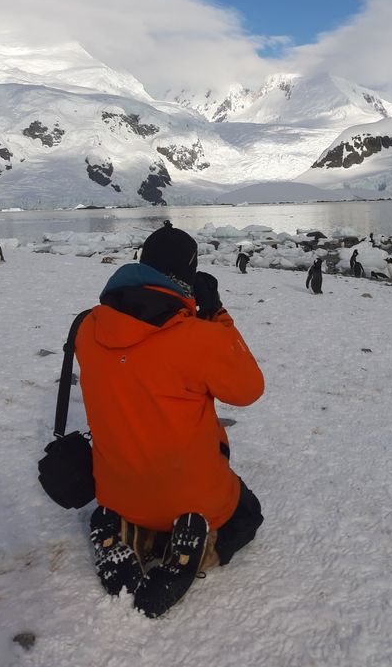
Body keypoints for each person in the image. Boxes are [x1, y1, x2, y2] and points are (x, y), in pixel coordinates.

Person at [75, 226, 265, 618]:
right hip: (191, 497)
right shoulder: (200, 339)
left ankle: (120, 529)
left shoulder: (87, 328)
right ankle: (195, 547)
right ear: (189, 276)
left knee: (132, 495)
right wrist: (215, 314)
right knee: (247, 513)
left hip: (119, 491)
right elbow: (248, 388)